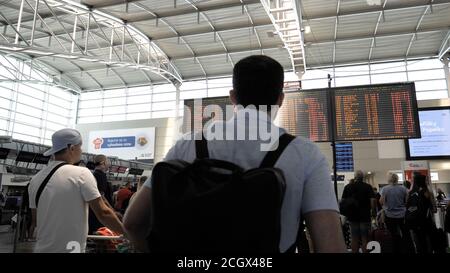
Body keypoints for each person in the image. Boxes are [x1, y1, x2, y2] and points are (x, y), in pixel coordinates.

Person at [124, 55, 346, 253]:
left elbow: (133, 222)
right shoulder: (304, 153)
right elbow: (330, 246)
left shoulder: (187, 145)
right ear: (280, 99)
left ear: (233, 96)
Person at [28, 128, 124, 253]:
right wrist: (126, 233)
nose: (81, 150)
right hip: (70, 249)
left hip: (41, 249)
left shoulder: (36, 179)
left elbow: (36, 220)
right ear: (71, 148)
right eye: (80, 146)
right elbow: (103, 213)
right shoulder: (81, 173)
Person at [341, 170, 376, 253]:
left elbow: (343, 201)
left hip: (352, 216)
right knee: (365, 238)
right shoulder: (368, 187)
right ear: (362, 177)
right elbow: (372, 200)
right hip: (365, 216)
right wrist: (373, 212)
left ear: (355, 177)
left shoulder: (348, 187)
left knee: (354, 237)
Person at [379, 173, 410, 253]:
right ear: (397, 179)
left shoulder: (385, 189)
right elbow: (407, 201)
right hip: (402, 215)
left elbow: (381, 202)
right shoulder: (403, 188)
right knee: (405, 234)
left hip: (389, 215)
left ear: (389, 179)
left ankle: (395, 250)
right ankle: (405, 249)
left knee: (393, 235)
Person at [406, 174, 434, 253]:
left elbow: (407, 206)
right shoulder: (426, 191)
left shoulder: (410, 192)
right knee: (427, 239)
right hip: (425, 219)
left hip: (414, 220)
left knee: (417, 239)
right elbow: (432, 206)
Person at [88, 154, 114, 234]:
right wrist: (111, 210)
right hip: (100, 214)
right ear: (103, 162)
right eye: (108, 161)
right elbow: (101, 196)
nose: (109, 163)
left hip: (94, 213)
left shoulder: (94, 174)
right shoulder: (100, 175)